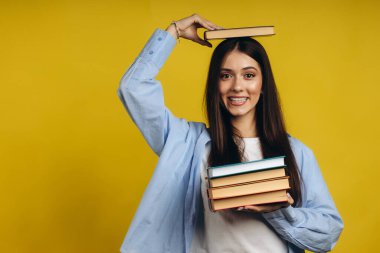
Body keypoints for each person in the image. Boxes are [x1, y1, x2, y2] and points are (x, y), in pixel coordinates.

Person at [117, 13, 343, 253]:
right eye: (226, 75)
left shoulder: (297, 153)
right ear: (215, 84)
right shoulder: (187, 144)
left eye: (249, 75)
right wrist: (174, 31)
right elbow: (133, 88)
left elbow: (328, 234)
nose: (237, 86)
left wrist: (279, 212)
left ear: (263, 84)